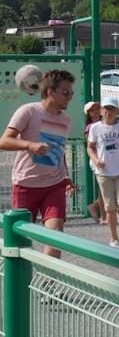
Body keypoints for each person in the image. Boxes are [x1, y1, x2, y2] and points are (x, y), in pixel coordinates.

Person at [0, 68, 76, 258]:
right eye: (65, 92)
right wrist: (29, 145)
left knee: (56, 235)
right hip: (26, 183)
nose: (69, 97)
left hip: (54, 184)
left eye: (71, 93)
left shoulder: (66, 120)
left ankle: (47, 285)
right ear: (50, 91)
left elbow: (59, 150)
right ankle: (18, 283)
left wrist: (65, 175)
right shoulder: (29, 111)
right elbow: (4, 141)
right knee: (20, 241)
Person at [87, 97, 119, 248]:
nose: (108, 112)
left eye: (112, 109)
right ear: (101, 111)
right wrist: (95, 160)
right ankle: (114, 239)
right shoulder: (95, 128)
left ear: (117, 111)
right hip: (103, 172)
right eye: (106, 108)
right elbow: (90, 147)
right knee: (109, 207)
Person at [83, 99, 104, 223]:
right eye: (92, 110)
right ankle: (102, 215)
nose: (95, 112)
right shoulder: (90, 127)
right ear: (88, 114)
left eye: (97, 109)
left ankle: (95, 206)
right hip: (97, 160)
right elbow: (90, 146)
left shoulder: (105, 123)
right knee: (103, 188)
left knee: (108, 188)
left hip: (107, 159)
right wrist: (96, 159)